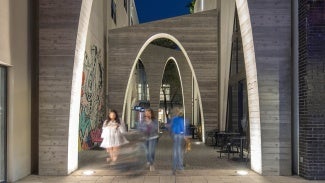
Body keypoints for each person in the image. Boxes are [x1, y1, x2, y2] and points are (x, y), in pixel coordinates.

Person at [170, 107, 186, 174]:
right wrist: (184, 135)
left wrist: (172, 134)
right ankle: (180, 167)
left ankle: (174, 168)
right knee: (179, 151)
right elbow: (182, 128)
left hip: (174, 135)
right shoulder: (181, 120)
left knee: (175, 151)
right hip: (179, 135)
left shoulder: (173, 119)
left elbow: (171, 127)